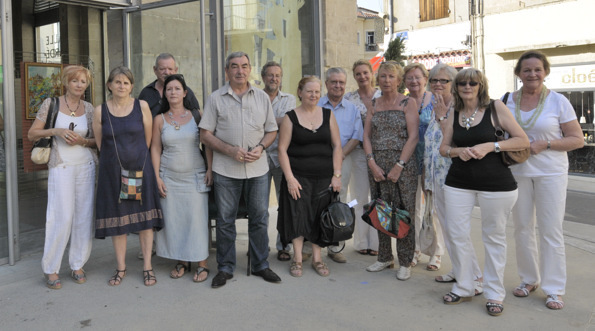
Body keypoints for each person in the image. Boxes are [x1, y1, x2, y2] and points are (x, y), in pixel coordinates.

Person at [439, 68, 529, 316]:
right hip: (458, 181)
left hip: (497, 184)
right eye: (462, 83)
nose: (467, 87)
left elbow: (522, 140)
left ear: (481, 86)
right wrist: (460, 152)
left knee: (494, 238)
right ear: (456, 88)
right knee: (456, 234)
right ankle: (465, 285)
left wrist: (491, 146)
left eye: (473, 83)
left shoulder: (495, 108)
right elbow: (444, 148)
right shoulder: (453, 112)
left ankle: (494, 293)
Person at [505, 50, 584, 310]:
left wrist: (547, 144)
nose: (532, 74)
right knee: (523, 228)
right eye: (526, 70)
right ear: (518, 74)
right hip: (517, 172)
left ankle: (554, 289)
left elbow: (577, 139)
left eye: (537, 69)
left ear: (545, 72)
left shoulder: (558, 101)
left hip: (551, 172)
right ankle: (529, 280)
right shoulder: (506, 101)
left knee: (550, 230)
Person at [199, 52, 281, 288]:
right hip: (226, 170)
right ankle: (225, 268)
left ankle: (261, 265)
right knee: (225, 221)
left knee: (259, 218)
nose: (240, 71)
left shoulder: (262, 98)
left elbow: (272, 130)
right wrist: (228, 150)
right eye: (234, 67)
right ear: (227, 71)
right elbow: (205, 135)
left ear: (250, 69)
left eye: (244, 66)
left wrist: (262, 147)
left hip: (258, 170)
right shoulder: (215, 98)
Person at [93, 66, 164, 287]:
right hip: (112, 173)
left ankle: (147, 267)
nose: (121, 86)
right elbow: (100, 143)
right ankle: (121, 267)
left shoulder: (141, 106)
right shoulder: (100, 111)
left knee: (144, 221)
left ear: (132, 86)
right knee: (119, 222)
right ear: (109, 85)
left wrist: (135, 162)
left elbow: (149, 139)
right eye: (117, 82)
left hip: (139, 170)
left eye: (126, 82)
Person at [28, 65, 97, 289]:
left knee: (84, 217)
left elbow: (97, 141)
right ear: (66, 82)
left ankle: (77, 264)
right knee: (61, 216)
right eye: (75, 81)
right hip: (61, 167)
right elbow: (32, 133)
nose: (79, 85)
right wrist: (56, 131)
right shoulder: (51, 104)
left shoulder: (89, 108)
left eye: (83, 81)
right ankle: (51, 268)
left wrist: (83, 141)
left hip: (85, 166)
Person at [424, 64, 483, 293]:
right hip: (435, 177)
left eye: (444, 81)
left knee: (458, 230)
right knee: (448, 229)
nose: (437, 84)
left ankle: (475, 276)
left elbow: (460, 141)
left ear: (453, 84)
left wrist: (441, 118)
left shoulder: (460, 108)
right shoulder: (433, 106)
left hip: (455, 178)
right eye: (434, 80)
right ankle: (459, 270)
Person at [277, 76, 343, 277]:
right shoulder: (290, 117)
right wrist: (289, 178)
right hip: (298, 177)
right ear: (300, 92)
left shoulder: (328, 115)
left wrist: (337, 175)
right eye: (309, 91)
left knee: (319, 217)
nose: (313, 95)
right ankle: (297, 258)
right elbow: (281, 149)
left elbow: (337, 146)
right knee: (297, 215)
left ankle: (317, 258)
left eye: (316, 91)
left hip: (324, 178)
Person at [151, 74, 213, 282]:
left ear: (185, 93)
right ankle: (182, 261)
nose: (173, 92)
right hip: (169, 177)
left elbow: (208, 145)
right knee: (175, 221)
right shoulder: (159, 119)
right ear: (164, 94)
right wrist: (157, 177)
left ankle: (202, 263)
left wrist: (210, 169)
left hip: (195, 176)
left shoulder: (198, 115)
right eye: (169, 89)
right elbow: (155, 149)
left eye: (177, 88)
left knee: (196, 220)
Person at [363, 61, 419, 280]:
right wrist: (371, 163)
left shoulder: (408, 102)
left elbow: (413, 136)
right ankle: (384, 257)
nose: (386, 80)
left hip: (403, 164)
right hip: (377, 163)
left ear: (399, 80)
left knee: (405, 210)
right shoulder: (373, 104)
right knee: (381, 209)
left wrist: (399, 165)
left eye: (391, 76)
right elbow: (366, 136)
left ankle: (405, 260)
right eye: (383, 76)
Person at [318, 67, 362, 263]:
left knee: (339, 199)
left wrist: (340, 155)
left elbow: (356, 137)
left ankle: (335, 247)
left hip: (344, 159)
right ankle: (315, 243)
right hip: (318, 159)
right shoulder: (316, 105)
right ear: (326, 84)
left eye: (341, 82)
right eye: (333, 82)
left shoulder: (352, 109)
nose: (337, 85)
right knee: (316, 199)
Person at [403, 63, 443, 270]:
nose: (414, 81)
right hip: (410, 159)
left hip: (431, 160)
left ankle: (436, 252)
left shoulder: (436, 100)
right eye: (409, 78)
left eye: (417, 77)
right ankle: (415, 249)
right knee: (413, 209)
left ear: (425, 79)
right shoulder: (403, 102)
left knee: (433, 208)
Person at [260, 61, 297, 262]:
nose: (274, 78)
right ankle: (259, 246)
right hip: (260, 158)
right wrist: (277, 120)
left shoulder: (289, 99)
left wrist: (264, 122)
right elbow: (281, 121)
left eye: (277, 75)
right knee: (260, 207)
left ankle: (284, 246)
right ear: (263, 77)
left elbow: (289, 120)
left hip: (283, 158)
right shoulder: (255, 96)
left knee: (285, 205)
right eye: (270, 75)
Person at [344, 60, 380, 256]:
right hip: (357, 153)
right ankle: (361, 242)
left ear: (371, 73)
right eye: (358, 74)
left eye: (365, 72)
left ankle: (377, 243)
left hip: (381, 154)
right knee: (359, 198)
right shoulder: (349, 99)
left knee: (378, 199)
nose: (362, 76)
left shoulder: (383, 96)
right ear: (354, 76)